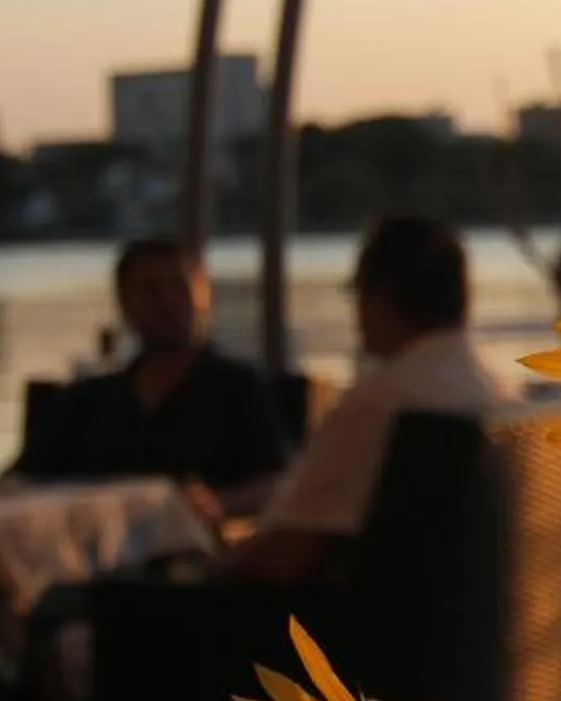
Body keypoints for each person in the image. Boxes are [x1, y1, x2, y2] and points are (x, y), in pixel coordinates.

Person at [217, 214, 509, 584]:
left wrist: (204, 568)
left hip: (355, 631)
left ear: (379, 297)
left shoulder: (384, 398)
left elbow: (287, 552)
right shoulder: (499, 389)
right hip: (471, 630)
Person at [22, 238, 287, 521]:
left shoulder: (239, 388)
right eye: (150, 290)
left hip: (200, 551)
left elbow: (275, 483)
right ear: (124, 303)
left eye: (179, 287)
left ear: (203, 296)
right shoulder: (85, 401)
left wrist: (217, 504)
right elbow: (21, 483)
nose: (167, 301)